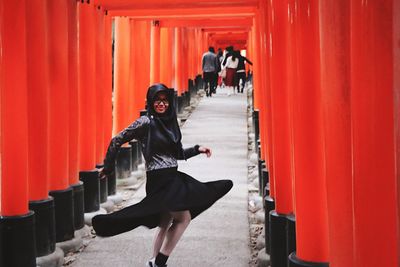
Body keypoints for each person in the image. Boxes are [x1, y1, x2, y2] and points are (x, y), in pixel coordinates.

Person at [92, 84, 233, 267]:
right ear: (150, 102)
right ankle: (160, 261)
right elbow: (117, 139)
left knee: (165, 221)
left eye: (164, 100)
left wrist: (197, 149)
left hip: (172, 176)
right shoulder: (146, 122)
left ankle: (153, 262)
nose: (161, 104)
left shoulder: (169, 121)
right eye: (157, 100)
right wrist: (109, 167)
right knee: (184, 218)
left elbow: (177, 153)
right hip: (160, 180)